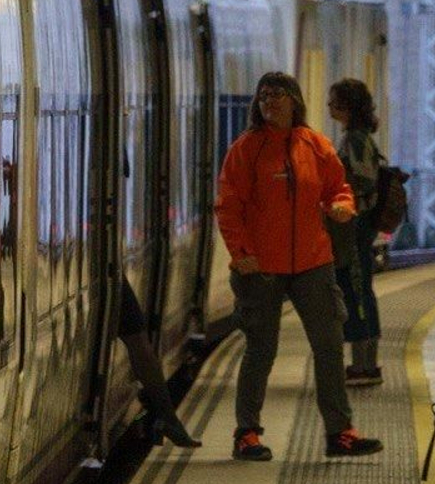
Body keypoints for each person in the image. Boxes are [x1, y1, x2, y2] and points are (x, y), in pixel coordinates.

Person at [214, 72, 383, 461]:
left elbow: (337, 187)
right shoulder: (246, 150)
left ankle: (340, 433)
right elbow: (229, 206)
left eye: (276, 96)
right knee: (261, 348)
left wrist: (343, 206)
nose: (268, 103)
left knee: (328, 346)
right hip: (261, 268)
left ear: (294, 101)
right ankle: (247, 433)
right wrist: (241, 253)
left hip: (312, 263)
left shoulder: (315, 145)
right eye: (263, 97)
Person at [325, 78, 385, 387]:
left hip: (357, 222)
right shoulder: (356, 138)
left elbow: (362, 179)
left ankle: (366, 365)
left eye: (334, 102)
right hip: (359, 222)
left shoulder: (356, 140)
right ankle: (363, 362)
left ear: (347, 107)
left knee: (358, 289)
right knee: (356, 288)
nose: (329, 107)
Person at [116, 274, 200, 448]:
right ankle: (168, 420)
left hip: (111, 273)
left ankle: (167, 419)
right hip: (112, 274)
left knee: (138, 340)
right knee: (138, 341)